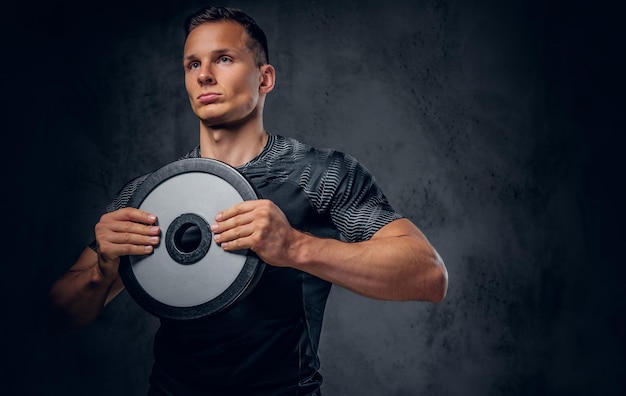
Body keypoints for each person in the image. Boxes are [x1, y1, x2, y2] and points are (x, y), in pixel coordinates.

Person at [49, 6, 448, 396]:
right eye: (192, 64)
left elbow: (429, 276)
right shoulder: (151, 193)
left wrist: (297, 247)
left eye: (223, 59)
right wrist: (102, 272)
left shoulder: (321, 174)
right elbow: (56, 320)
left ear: (265, 78)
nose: (204, 75)